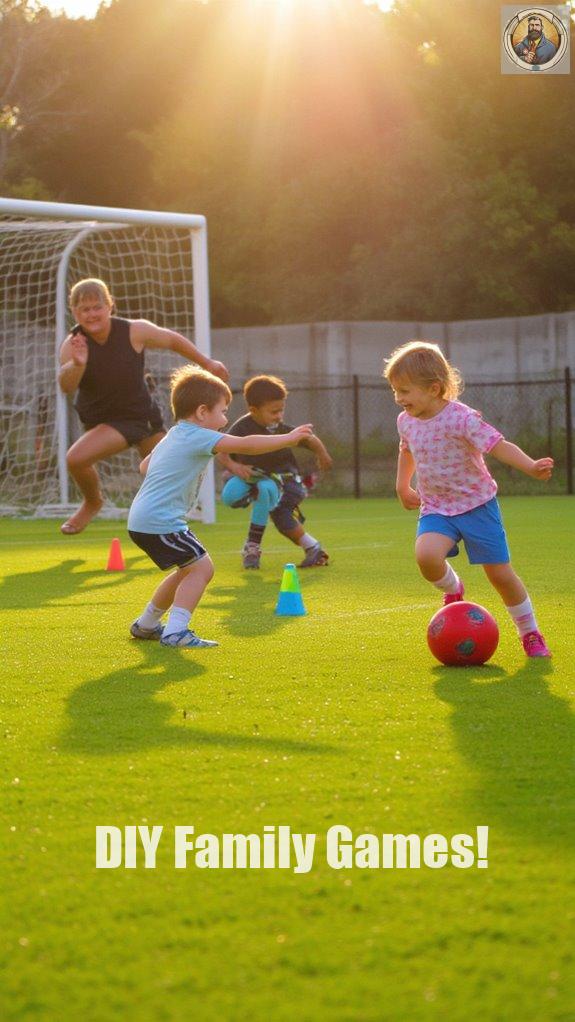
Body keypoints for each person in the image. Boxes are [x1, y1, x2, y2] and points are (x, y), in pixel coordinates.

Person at [383, 340, 554, 658]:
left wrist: (531, 466)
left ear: (434, 389)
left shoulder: (462, 418)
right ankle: (453, 589)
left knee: (500, 575)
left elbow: (498, 445)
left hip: (477, 506)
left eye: (404, 391)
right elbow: (406, 451)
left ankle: (530, 633)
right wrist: (402, 485)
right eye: (395, 390)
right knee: (426, 557)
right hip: (436, 507)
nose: (398, 398)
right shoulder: (405, 421)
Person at [127, 367, 314, 648]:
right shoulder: (199, 435)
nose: (225, 420)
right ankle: (176, 632)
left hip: (142, 520)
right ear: (202, 412)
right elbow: (247, 445)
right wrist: (289, 438)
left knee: (186, 570)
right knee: (202, 569)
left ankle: (147, 624)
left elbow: (144, 466)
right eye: (223, 412)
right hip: (161, 521)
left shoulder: (175, 434)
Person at [58, 278, 229, 535]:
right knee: (76, 459)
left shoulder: (134, 331)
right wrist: (78, 364)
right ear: (74, 312)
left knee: (165, 472)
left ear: (110, 305)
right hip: (104, 421)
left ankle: (168, 526)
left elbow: (172, 340)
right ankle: (92, 502)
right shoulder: (73, 345)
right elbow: (66, 386)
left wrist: (206, 362)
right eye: (84, 309)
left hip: (141, 417)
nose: (91, 314)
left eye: (97, 307)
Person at [217, 375, 333, 569]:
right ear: (253, 410)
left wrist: (322, 454)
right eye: (274, 411)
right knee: (231, 496)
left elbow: (309, 438)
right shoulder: (241, 427)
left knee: (277, 509)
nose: (279, 416)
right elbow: (221, 451)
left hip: (287, 481)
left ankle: (254, 547)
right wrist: (235, 467)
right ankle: (313, 548)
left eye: (281, 410)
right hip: (254, 478)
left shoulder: (280, 429)